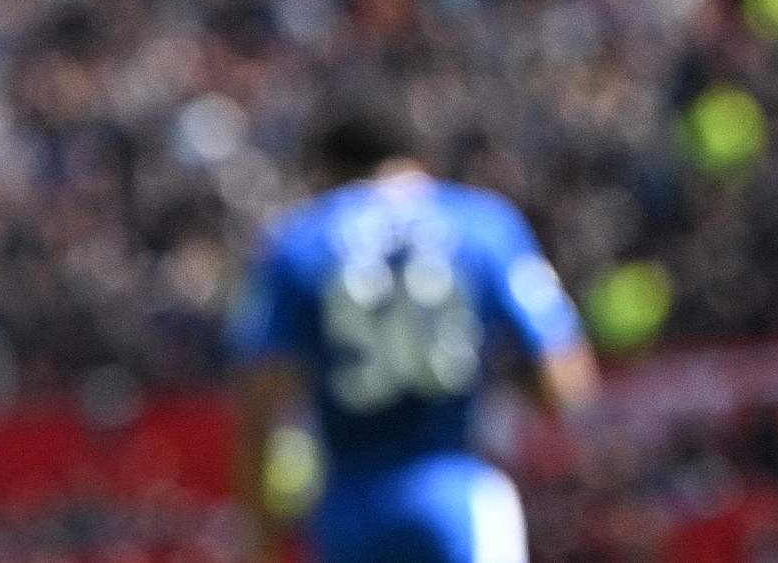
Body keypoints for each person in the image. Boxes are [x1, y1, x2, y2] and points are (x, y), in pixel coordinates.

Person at [229, 102, 597, 563]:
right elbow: (565, 382)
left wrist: (260, 539)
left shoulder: (298, 239)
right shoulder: (484, 223)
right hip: (455, 491)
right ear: (419, 159)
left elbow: (260, 400)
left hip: (347, 508)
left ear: (330, 171)